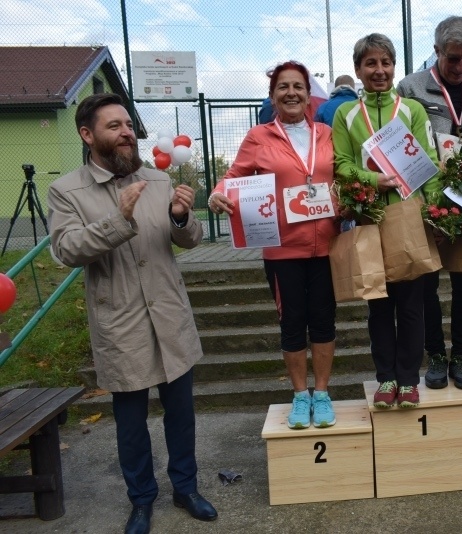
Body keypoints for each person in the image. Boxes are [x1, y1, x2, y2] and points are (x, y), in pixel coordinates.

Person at [47, 93, 217, 534]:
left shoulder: (159, 181)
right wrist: (118, 220)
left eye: (128, 125)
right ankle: (141, 500)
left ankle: (187, 488)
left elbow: (190, 240)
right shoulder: (67, 191)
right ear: (88, 135)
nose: (126, 133)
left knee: (182, 416)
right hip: (120, 324)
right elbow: (67, 250)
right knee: (130, 425)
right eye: (114, 126)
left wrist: (181, 217)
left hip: (170, 316)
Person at [209, 61, 338, 430]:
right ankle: (300, 397)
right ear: (273, 96)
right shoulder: (258, 137)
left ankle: (323, 392)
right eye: (283, 87)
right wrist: (218, 194)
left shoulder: (327, 134)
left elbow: (344, 172)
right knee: (293, 322)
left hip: (328, 246)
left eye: (298, 86)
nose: (291, 93)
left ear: (309, 94)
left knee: (325, 321)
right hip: (282, 249)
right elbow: (233, 177)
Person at [332, 33, 441, 409]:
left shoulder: (412, 109)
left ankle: (409, 379)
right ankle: (386, 378)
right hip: (368, 218)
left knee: (412, 305)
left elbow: (429, 159)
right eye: (370, 64)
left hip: (408, 216)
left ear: (394, 67)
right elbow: (341, 164)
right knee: (377, 305)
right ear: (358, 70)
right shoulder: (345, 115)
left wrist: (433, 210)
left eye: (386, 63)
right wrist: (372, 180)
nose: (379, 71)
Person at [396, 15, 462, 391]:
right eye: (453, 58)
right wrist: (438, 175)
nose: (461, 67)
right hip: (427, 202)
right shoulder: (409, 87)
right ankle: (436, 356)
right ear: (437, 51)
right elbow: (399, 144)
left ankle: (461, 355)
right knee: (425, 285)